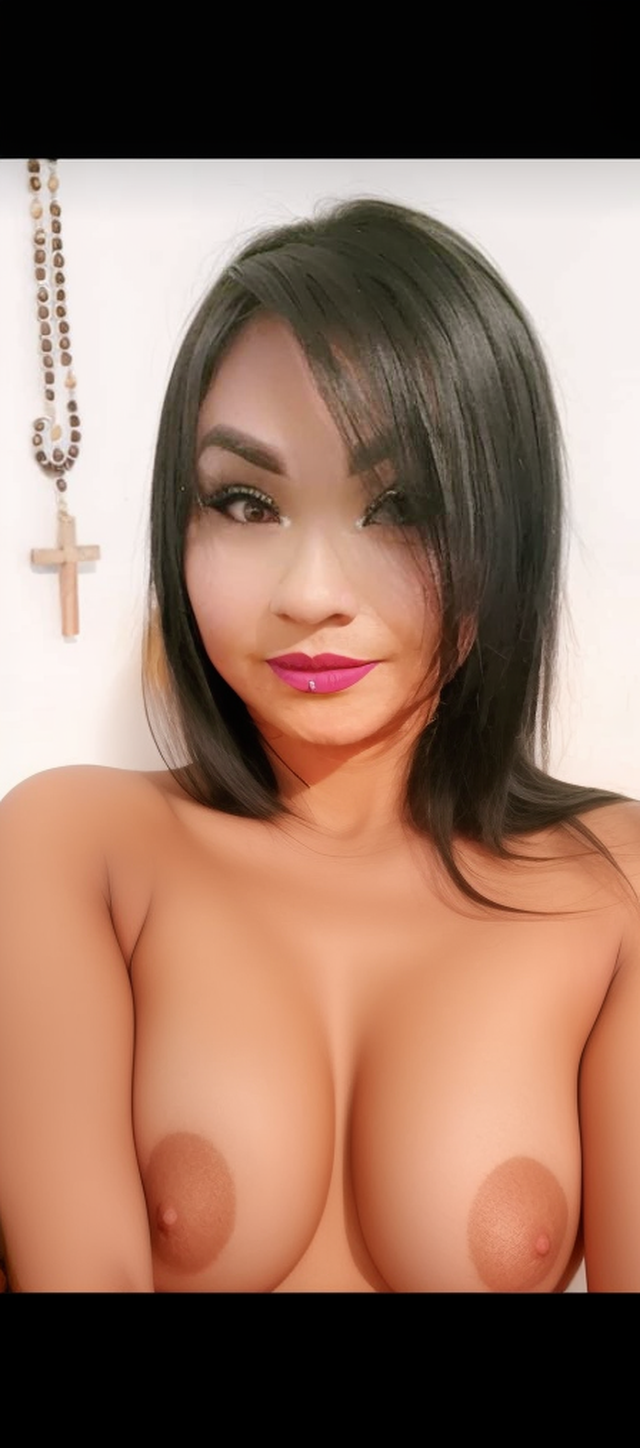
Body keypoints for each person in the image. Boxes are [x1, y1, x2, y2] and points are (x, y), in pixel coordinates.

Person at [1, 195, 640, 1294]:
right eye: (247, 503)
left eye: (399, 506)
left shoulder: (614, 886)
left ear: (505, 525)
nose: (310, 593)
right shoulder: (72, 849)